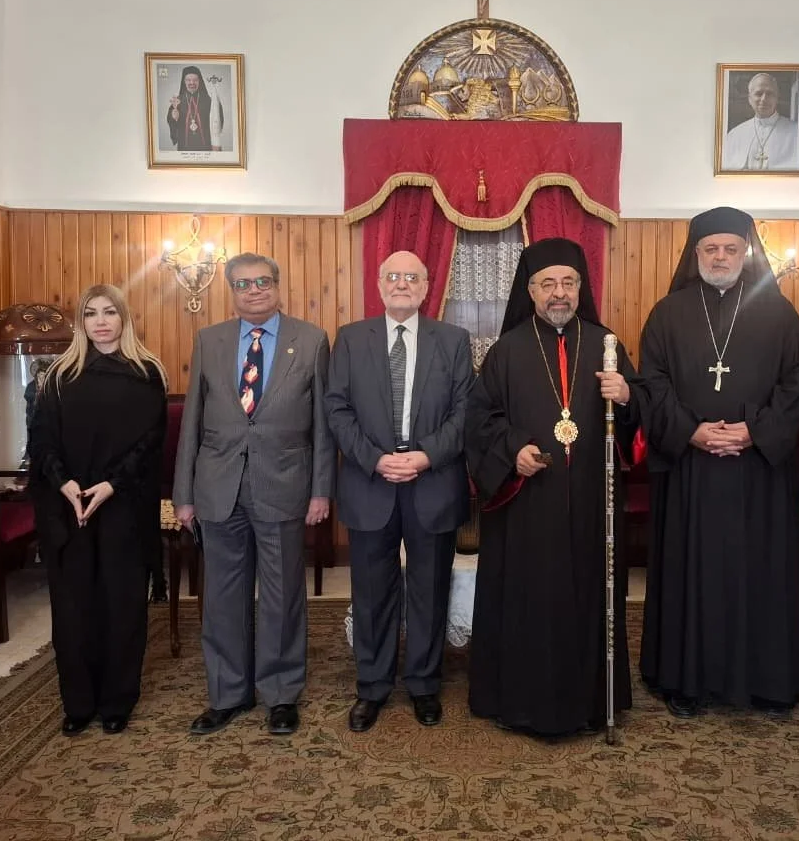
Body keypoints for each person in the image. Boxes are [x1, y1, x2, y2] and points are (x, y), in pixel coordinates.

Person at [638, 206, 799, 719]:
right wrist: (690, 431)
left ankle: (767, 681)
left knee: (759, 572)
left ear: (746, 252)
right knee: (691, 574)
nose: (720, 257)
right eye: (710, 249)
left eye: (730, 249)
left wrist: (754, 432)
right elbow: (652, 381)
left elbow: (798, 381)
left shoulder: (780, 314)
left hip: (757, 471)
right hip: (692, 471)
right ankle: (685, 681)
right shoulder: (668, 313)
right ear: (696, 255)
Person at [465, 237, 642, 737]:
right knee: (530, 600)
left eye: (567, 283)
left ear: (581, 288)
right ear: (531, 291)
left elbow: (638, 419)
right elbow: (480, 421)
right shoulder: (507, 351)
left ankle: (589, 702)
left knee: (588, 596)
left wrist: (627, 394)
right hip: (528, 509)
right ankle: (521, 702)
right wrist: (513, 448)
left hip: (590, 503)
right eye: (548, 284)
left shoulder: (607, 345)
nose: (558, 293)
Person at [173, 252, 335, 737]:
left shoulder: (311, 340)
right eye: (243, 284)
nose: (255, 290)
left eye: (264, 282)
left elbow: (323, 427)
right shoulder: (210, 340)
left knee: (283, 594)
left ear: (279, 285)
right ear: (232, 291)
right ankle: (228, 694)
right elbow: (192, 425)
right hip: (217, 489)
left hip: (285, 486)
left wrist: (320, 490)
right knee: (222, 596)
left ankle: (281, 694)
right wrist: (184, 494)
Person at [325, 251, 473, 732]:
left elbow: (464, 413)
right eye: (393, 276)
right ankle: (372, 687)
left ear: (427, 287)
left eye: (412, 277)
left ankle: (425, 685)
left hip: (432, 481)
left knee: (429, 591)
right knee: (372, 593)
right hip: (371, 482)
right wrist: (374, 458)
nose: (402, 284)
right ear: (379, 283)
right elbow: (337, 410)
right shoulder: (350, 339)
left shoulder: (453, 341)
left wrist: (427, 455)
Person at [27, 284, 167, 736]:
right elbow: (42, 441)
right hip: (67, 507)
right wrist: (66, 485)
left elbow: (149, 445)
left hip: (123, 505)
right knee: (73, 608)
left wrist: (109, 486)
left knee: (122, 605)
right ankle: (78, 703)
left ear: (124, 319)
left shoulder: (146, 373)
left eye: (110, 312)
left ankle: (117, 701)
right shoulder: (57, 378)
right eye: (91, 313)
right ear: (80, 322)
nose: (101, 321)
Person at [721, 73, 799, 171]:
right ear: (750, 99)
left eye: (770, 94)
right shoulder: (734, 135)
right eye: (758, 93)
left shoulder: (796, 133)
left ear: (777, 98)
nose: (764, 99)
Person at [167, 65, 223, 151]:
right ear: (184, 81)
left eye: (195, 80)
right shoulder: (177, 101)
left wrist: (215, 141)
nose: (192, 83)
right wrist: (174, 118)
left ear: (199, 81)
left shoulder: (208, 100)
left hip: (205, 146)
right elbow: (171, 121)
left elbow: (217, 118)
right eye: (188, 80)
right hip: (185, 146)